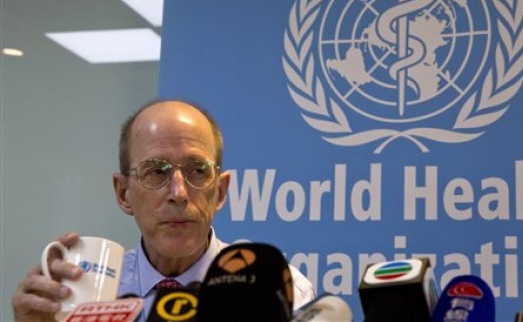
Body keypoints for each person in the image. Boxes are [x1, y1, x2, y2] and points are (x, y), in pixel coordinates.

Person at [12, 99, 315, 321]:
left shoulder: (275, 289)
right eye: (156, 172)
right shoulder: (87, 295)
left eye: (197, 170)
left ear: (220, 191)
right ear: (123, 194)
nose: (179, 193)